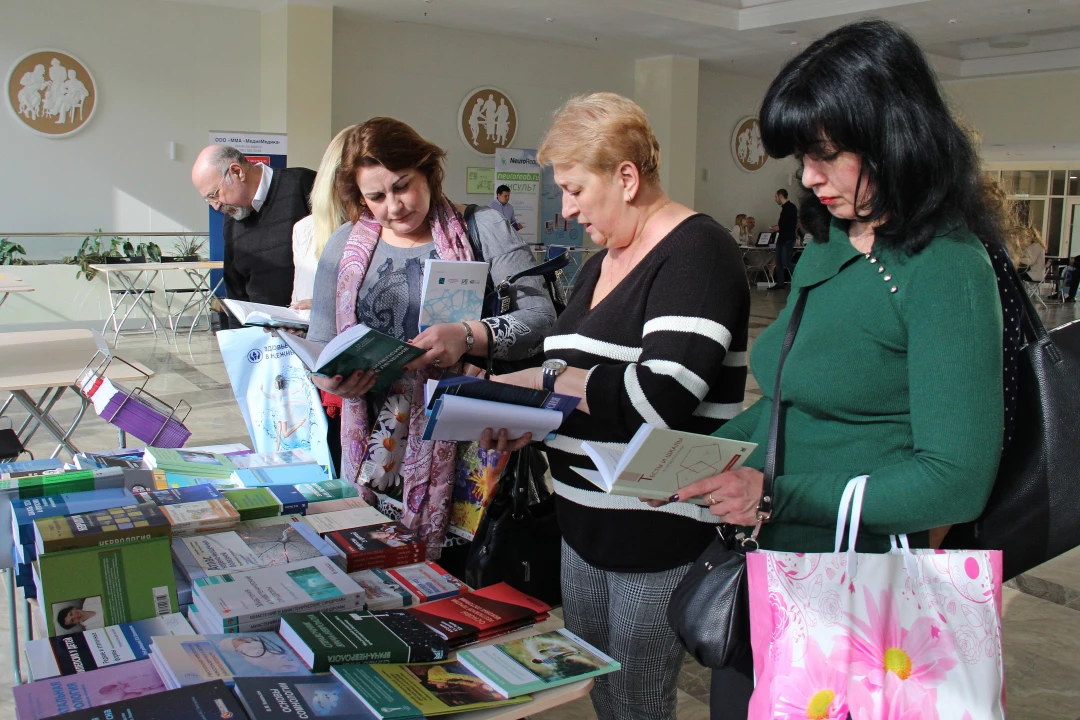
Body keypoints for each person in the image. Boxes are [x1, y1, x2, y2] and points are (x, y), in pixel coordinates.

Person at [668, 20, 1007, 719]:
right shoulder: (830, 239)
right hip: (778, 571)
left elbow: (957, 479)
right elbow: (792, 400)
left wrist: (780, 495)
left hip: (868, 596)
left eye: (827, 154)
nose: (809, 178)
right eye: (801, 157)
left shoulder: (945, 267)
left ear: (895, 134)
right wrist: (697, 458)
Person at [486, 92, 750, 720]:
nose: (568, 208)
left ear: (627, 177)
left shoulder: (696, 252)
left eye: (576, 189)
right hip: (582, 519)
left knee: (637, 700)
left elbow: (657, 396)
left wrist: (554, 379)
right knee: (601, 691)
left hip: (654, 528)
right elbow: (574, 376)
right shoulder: (601, 261)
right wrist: (533, 415)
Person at [304, 117, 556, 554]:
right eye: (376, 196)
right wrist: (325, 377)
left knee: (456, 574)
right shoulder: (345, 244)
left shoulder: (482, 227)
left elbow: (542, 317)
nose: (394, 207)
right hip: (372, 442)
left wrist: (469, 335)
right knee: (374, 562)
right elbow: (321, 340)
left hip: (467, 439)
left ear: (429, 172)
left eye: (403, 186)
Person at [190, 145, 316, 326]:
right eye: (208, 200)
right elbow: (237, 294)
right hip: (265, 342)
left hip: (314, 336)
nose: (215, 206)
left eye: (214, 195)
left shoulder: (304, 185)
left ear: (237, 171)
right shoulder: (232, 220)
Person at [290, 125, 357, 316]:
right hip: (312, 340)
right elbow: (299, 299)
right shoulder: (305, 229)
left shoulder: (389, 230)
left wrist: (330, 306)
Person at [769, 187, 798, 288]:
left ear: (781, 196)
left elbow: (791, 224)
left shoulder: (791, 208)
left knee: (785, 261)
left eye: (776, 197)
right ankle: (780, 283)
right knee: (779, 262)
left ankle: (800, 272)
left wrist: (779, 227)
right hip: (782, 238)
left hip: (788, 238)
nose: (775, 199)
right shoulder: (785, 208)